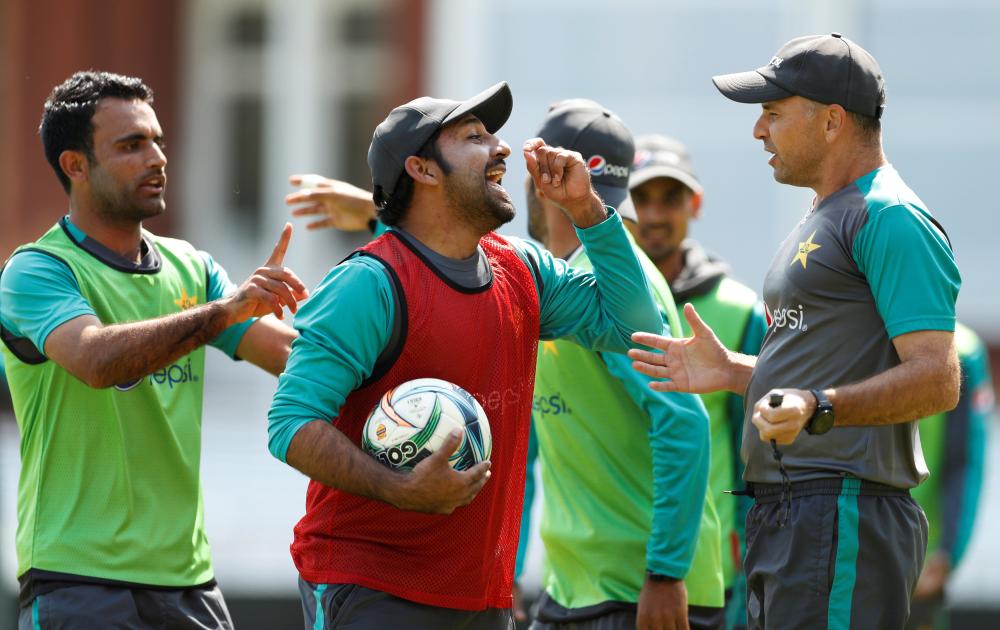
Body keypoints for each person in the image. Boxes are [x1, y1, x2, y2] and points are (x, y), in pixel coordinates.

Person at [268, 82, 662, 630]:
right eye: (474, 137)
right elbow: (289, 424)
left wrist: (586, 209)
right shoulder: (367, 283)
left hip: (484, 599)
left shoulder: (524, 267)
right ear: (423, 170)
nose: (501, 148)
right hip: (372, 589)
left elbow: (636, 327)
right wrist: (400, 488)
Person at [629, 34, 962, 630]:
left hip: (843, 515)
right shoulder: (826, 212)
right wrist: (736, 373)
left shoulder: (889, 216)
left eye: (774, 113)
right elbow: (824, 378)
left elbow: (938, 380)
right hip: (794, 516)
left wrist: (821, 407)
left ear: (832, 121)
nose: (759, 130)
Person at [0, 71, 306, 629]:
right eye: (131, 145)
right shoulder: (37, 270)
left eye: (158, 140)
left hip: (189, 582)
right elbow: (94, 360)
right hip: (77, 579)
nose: (157, 157)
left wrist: (378, 290)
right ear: (75, 165)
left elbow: (293, 357)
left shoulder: (193, 266)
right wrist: (223, 312)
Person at [516, 100, 725, 630]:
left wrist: (665, 574)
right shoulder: (565, 277)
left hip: (637, 596)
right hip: (578, 586)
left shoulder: (616, 280)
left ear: (540, 181)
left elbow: (683, 421)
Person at [629, 134, 767, 629]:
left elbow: (760, 448)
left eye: (670, 198)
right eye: (640, 197)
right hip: (612, 561)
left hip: (711, 568)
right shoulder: (590, 301)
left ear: (697, 203)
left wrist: (753, 554)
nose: (653, 215)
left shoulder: (739, 310)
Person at [907, 323, 993, 630]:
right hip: (853, 550)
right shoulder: (856, 329)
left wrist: (947, 554)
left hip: (921, 562)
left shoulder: (963, 350)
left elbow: (966, 462)